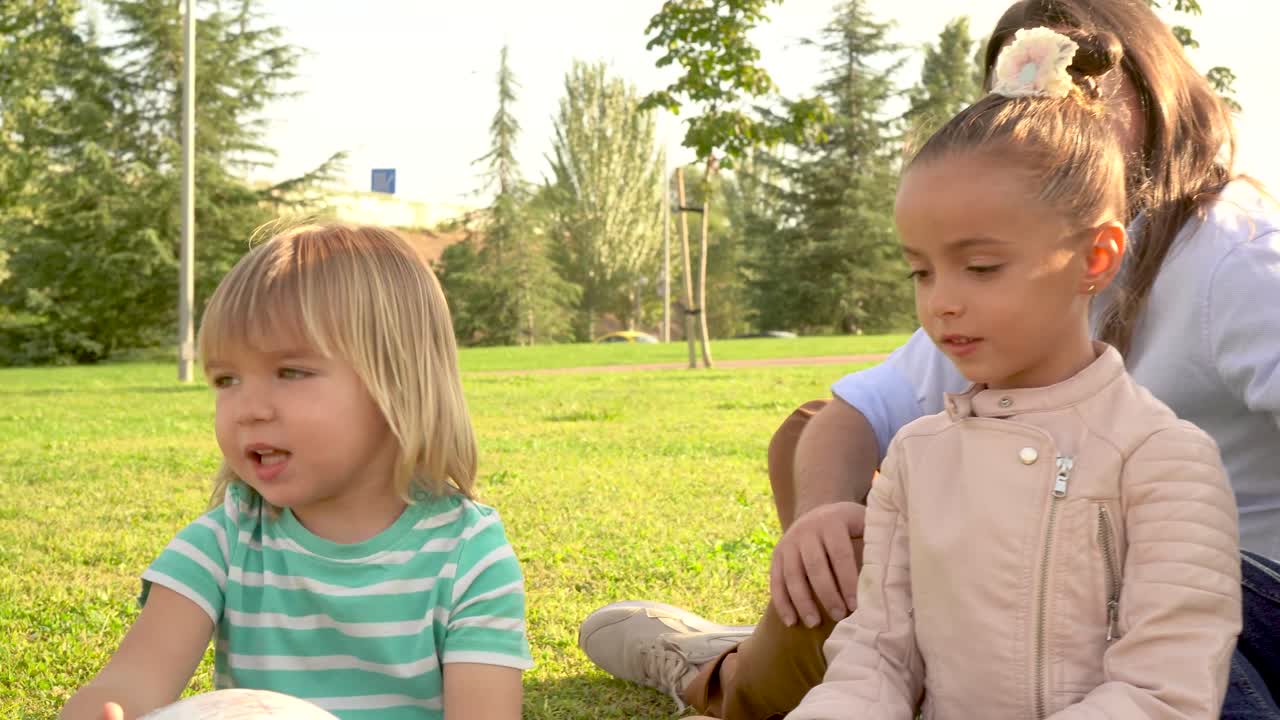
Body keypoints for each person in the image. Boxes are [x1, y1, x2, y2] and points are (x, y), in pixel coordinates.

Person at [578, 0, 1280, 717]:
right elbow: (848, 415)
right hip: (1000, 582)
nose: (1056, 104)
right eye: (1023, 86)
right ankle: (765, 662)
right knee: (817, 445)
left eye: (1087, 80)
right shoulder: (995, 302)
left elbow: (1166, 679)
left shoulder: (1235, 255)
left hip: (1225, 590)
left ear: (1155, 84)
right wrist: (821, 516)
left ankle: (725, 670)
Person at [782, 24, 1241, 717]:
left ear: (1096, 258)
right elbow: (875, 660)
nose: (943, 302)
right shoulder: (915, 457)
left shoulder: (1164, 461)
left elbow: (1162, 694)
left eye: (983, 266)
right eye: (921, 271)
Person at [61, 224, 532, 720]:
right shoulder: (226, 542)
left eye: (290, 372)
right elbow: (135, 677)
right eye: (227, 379)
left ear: (397, 382)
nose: (248, 409)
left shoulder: (468, 557)